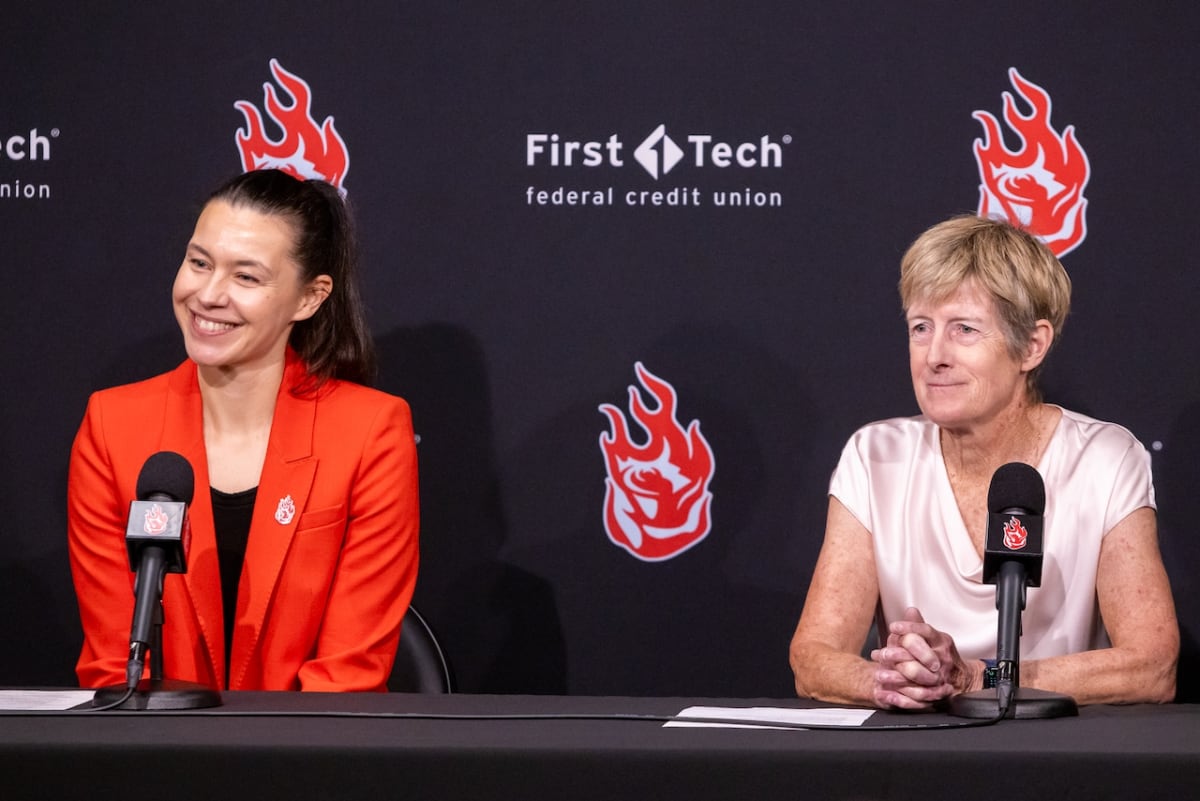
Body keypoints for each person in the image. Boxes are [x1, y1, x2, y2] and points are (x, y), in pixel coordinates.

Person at [789, 214, 1178, 709]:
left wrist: (979, 677)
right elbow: (813, 658)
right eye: (921, 327)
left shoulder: (1105, 458)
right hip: (913, 745)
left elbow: (1152, 666)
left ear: (1031, 346)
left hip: (1056, 745)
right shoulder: (875, 457)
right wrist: (889, 681)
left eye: (964, 329)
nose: (934, 355)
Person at [68, 169, 418, 692]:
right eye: (199, 263)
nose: (208, 295)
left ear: (309, 297)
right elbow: (114, 663)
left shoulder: (371, 431)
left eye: (246, 277)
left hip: (318, 737)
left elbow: (348, 674)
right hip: (154, 740)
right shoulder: (112, 425)